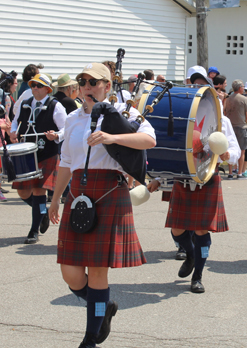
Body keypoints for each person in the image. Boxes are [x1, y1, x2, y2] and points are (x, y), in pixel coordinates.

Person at [48, 62, 156, 348]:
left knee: (96, 271)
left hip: (109, 192)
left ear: (107, 86)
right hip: (78, 194)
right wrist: (56, 199)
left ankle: (90, 338)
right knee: (70, 273)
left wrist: (112, 137)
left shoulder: (123, 112)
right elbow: (66, 162)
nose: (87, 87)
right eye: (83, 82)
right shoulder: (72, 118)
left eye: (94, 82)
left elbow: (149, 139)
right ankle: (104, 306)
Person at [163, 70, 240, 293]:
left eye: (201, 86)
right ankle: (190, 255)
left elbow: (234, 149)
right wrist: (158, 179)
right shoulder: (178, 117)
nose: (196, 90)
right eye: (192, 86)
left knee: (200, 231)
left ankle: (197, 276)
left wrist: (228, 156)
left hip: (208, 178)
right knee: (177, 230)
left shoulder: (221, 119)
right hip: (183, 178)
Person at [9, 74, 67, 244]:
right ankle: (42, 212)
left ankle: (33, 231)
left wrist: (56, 135)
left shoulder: (55, 106)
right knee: (23, 192)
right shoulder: (26, 104)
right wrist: (13, 131)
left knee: (39, 190)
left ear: (47, 89)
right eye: (33, 85)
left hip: (46, 153)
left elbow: (66, 128)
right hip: (27, 153)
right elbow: (15, 121)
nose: (35, 88)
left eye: (39, 85)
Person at [224, 79, 247, 179]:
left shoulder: (228, 98)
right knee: (242, 150)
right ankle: (239, 173)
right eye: (243, 86)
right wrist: (244, 122)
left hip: (230, 126)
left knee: (230, 149)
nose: (243, 88)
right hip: (241, 126)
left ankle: (230, 172)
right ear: (239, 88)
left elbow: (225, 112)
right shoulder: (244, 99)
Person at [0, 71, 18, 201]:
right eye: (15, 83)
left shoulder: (6, 97)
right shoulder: (5, 98)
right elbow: (6, 120)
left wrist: (10, 132)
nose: (16, 85)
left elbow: (6, 119)